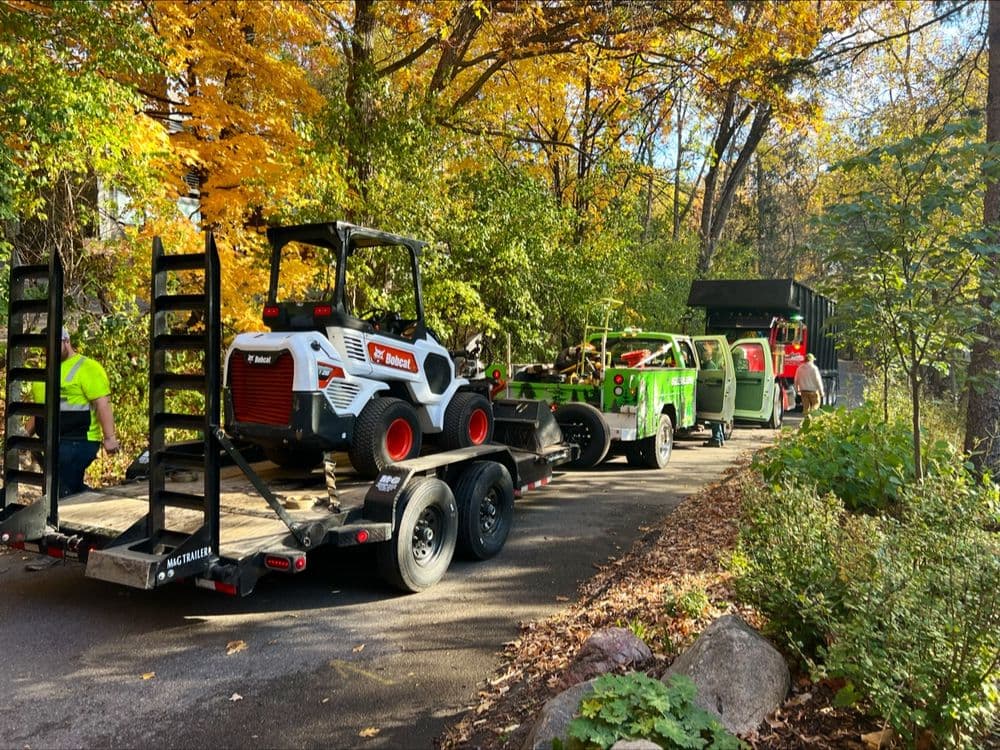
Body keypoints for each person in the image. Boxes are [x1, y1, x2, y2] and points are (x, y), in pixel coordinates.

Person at [27, 327, 119, 496]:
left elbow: (102, 404)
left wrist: (110, 438)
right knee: (63, 488)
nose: (49, 350)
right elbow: (39, 410)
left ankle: (60, 517)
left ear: (66, 341)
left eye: (54, 344)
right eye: (46, 346)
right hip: (51, 441)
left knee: (60, 490)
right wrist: (23, 437)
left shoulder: (87, 368)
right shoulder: (45, 372)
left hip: (78, 440)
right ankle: (88, 501)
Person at [698, 340, 726, 448]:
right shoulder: (711, 364)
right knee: (715, 418)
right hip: (715, 392)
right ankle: (720, 438)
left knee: (713, 417)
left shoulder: (708, 366)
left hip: (711, 393)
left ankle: (716, 439)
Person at [794, 352, 825, 417]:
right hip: (813, 391)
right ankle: (812, 414)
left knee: (806, 408)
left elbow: (796, 380)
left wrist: (797, 390)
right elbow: (818, 380)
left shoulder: (799, 368)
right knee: (816, 404)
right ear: (811, 360)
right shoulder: (814, 368)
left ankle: (807, 420)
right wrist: (821, 392)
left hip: (803, 391)